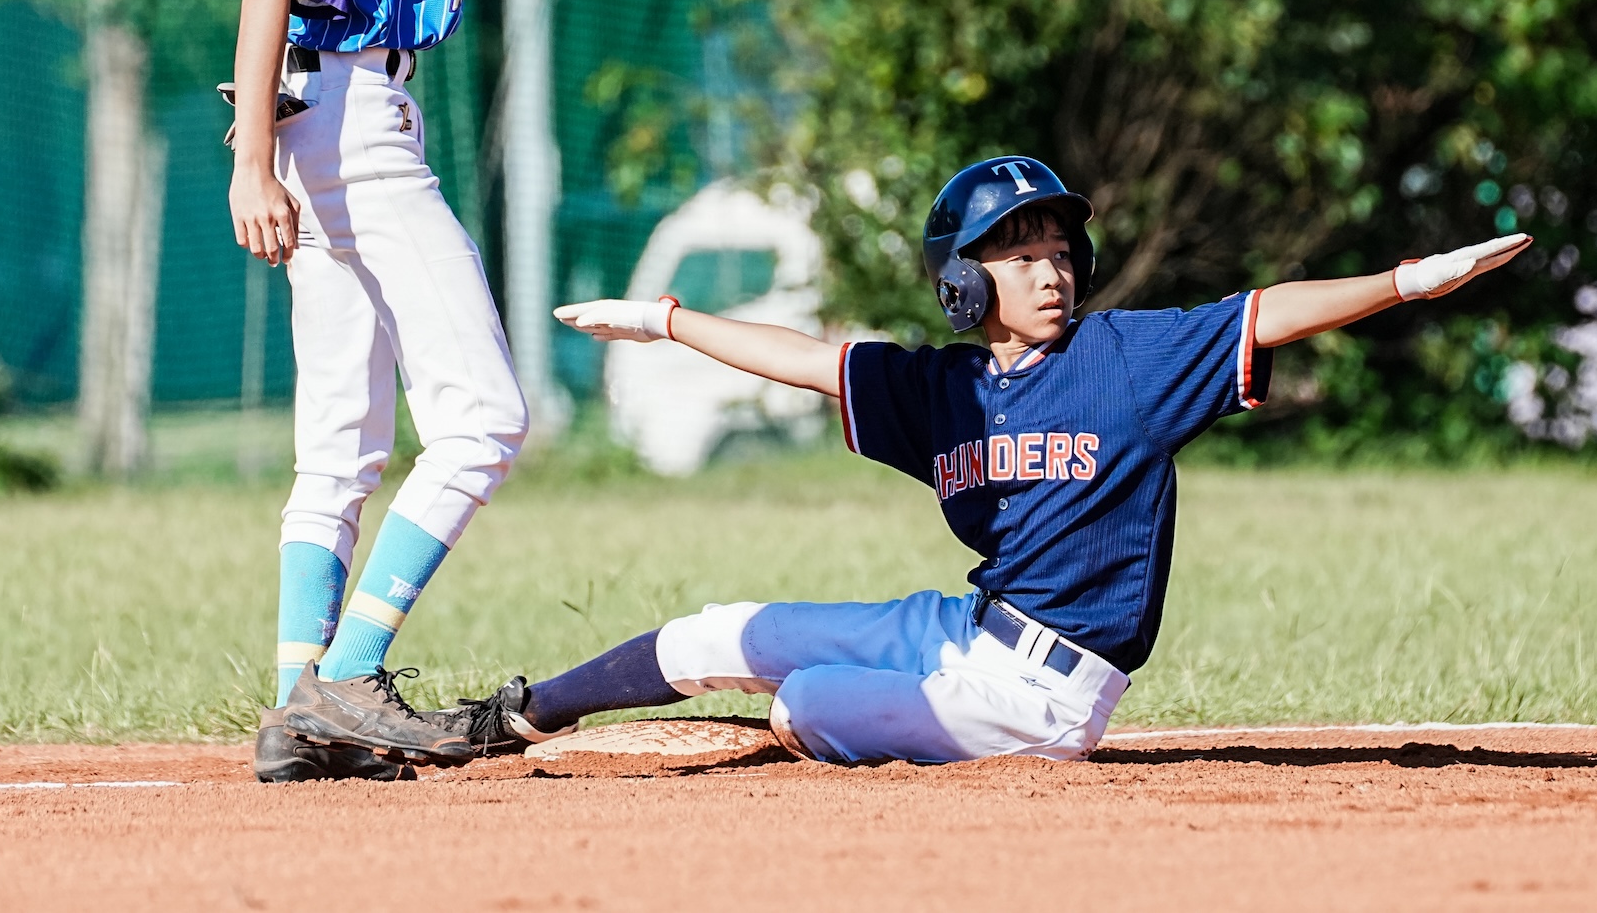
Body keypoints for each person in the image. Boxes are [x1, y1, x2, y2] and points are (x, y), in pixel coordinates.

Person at [436, 156, 1529, 766]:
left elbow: (1263, 311)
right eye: (1019, 252)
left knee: (805, 697)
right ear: (964, 281)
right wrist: (668, 319)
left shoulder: (1124, 359)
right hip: (959, 629)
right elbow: (808, 360)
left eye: (1058, 250)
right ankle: (516, 714)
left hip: (1043, 698)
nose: (1050, 270)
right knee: (721, 629)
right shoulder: (940, 389)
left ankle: (778, 733)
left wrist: (1404, 279)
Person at [229, 0, 642, 782]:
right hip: (346, 119)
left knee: (342, 443)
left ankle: (297, 706)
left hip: (338, 117)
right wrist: (252, 158)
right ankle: (347, 679)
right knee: (485, 418)